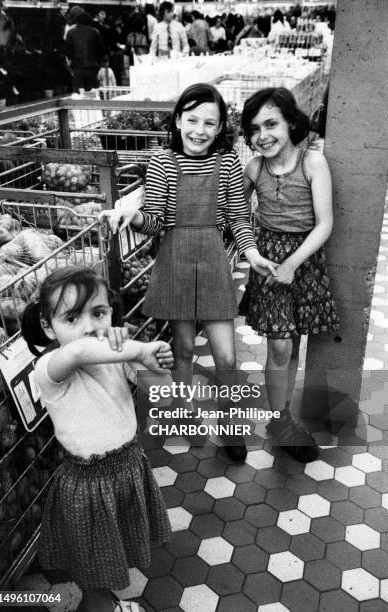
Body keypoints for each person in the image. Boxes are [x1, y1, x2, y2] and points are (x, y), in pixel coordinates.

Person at [104, 83, 265, 462]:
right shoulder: (162, 161)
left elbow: (239, 217)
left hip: (212, 261)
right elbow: (157, 222)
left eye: (210, 122)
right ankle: (182, 411)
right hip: (174, 259)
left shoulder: (227, 162)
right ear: (178, 120)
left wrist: (251, 250)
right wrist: (136, 216)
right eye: (191, 119)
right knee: (185, 348)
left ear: (221, 126)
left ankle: (229, 425)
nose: (199, 130)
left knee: (226, 356)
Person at [21, 266, 173, 612]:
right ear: (48, 327)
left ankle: (107, 602)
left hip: (128, 469)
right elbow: (77, 353)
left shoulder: (116, 356)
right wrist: (138, 348)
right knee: (94, 575)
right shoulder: (50, 368)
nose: (89, 327)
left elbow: (162, 395)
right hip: (89, 486)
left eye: (99, 313)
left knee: (112, 556)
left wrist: (155, 363)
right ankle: (99, 606)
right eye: (71, 318)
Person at [239, 88, 339, 463]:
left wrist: (293, 264)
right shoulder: (254, 168)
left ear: (291, 124)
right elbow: (231, 208)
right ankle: (279, 420)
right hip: (268, 264)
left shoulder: (313, 163)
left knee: (293, 341)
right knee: (279, 345)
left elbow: (324, 222)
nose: (262, 135)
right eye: (253, 129)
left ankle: (282, 417)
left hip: (304, 261)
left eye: (270, 124)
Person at [65, 10, 105, 92]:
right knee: (92, 93)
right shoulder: (95, 32)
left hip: (77, 68)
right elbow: (101, 50)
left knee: (79, 93)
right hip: (92, 68)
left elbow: (67, 50)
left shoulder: (71, 32)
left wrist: (72, 62)